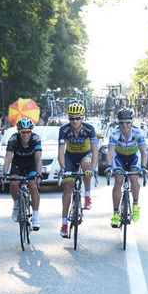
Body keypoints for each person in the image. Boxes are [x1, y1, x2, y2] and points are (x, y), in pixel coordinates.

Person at [57, 102, 99, 238]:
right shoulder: (64, 130)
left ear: (82, 118)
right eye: (71, 118)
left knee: (86, 165)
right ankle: (64, 225)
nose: (74, 121)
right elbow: (61, 151)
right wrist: (63, 168)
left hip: (84, 155)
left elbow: (95, 150)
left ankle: (87, 196)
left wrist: (92, 169)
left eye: (77, 118)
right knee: (67, 188)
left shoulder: (89, 129)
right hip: (69, 157)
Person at [105, 108, 148, 228]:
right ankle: (115, 213)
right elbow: (110, 152)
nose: (125, 125)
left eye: (128, 122)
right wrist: (109, 167)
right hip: (119, 158)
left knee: (134, 178)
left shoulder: (138, 132)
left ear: (132, 122)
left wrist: (143, 167)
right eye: (122, 122)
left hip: (134, 157)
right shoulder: (114, 133)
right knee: (118, 180)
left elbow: (144, 152)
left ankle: (135, 205)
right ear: (118, 123)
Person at [2, 118, 42, 231]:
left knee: (33, 186)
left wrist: (38, 173)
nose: (26, 135)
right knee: (14, 183)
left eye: (28, 132)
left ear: (31, 131)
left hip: (31, 164)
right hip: (17, 164)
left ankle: (35, 216)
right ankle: (16, 204)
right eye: (23, 132)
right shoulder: (13, 139)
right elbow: (8, 158)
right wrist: (4, 173)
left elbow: (38, 158)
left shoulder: (36, 139)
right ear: (19, 131)